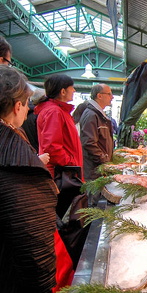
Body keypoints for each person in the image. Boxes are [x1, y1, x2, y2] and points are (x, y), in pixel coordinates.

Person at [0, 65, 57, 292]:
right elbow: (31, 238)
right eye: (27, 104)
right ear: (17, 106)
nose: (29, 109)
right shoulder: (17, 163)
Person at [35, 74, 83, 218]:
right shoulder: (54, 111)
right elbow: (52, 147)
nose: (74, 90)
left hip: (65, 172)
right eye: (71, 87)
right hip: (61, 175)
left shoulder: (59, 111)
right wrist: (71, 163)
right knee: (61, 218)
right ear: (63, 91)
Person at [79, 83, 114, 187]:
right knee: (92, 198)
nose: (112, 97)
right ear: (99, 96)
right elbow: (89, 142)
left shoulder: (98, 114)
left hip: (98, 167)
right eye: (109, 94)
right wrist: (104, 159)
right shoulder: (91, 115)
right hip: (93, 169)